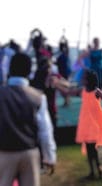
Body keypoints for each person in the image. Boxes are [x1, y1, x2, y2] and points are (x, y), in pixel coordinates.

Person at [0, 53, 56, 186]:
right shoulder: (38, 96)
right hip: (30, 153)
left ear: (10, 69)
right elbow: (45, 131)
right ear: (29, 71)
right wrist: (50, 157)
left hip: (5, 153)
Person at [55, 69, 102, 180]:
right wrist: (57, 84)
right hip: (86, 123)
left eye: (84, 77)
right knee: (90, 148)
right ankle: (94, 170)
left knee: (92, 148)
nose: (82, 79)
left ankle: (97, 170)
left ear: (88, 80)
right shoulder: (83, 90)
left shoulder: (96, 91)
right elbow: (68, 92)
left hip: (94, 123)